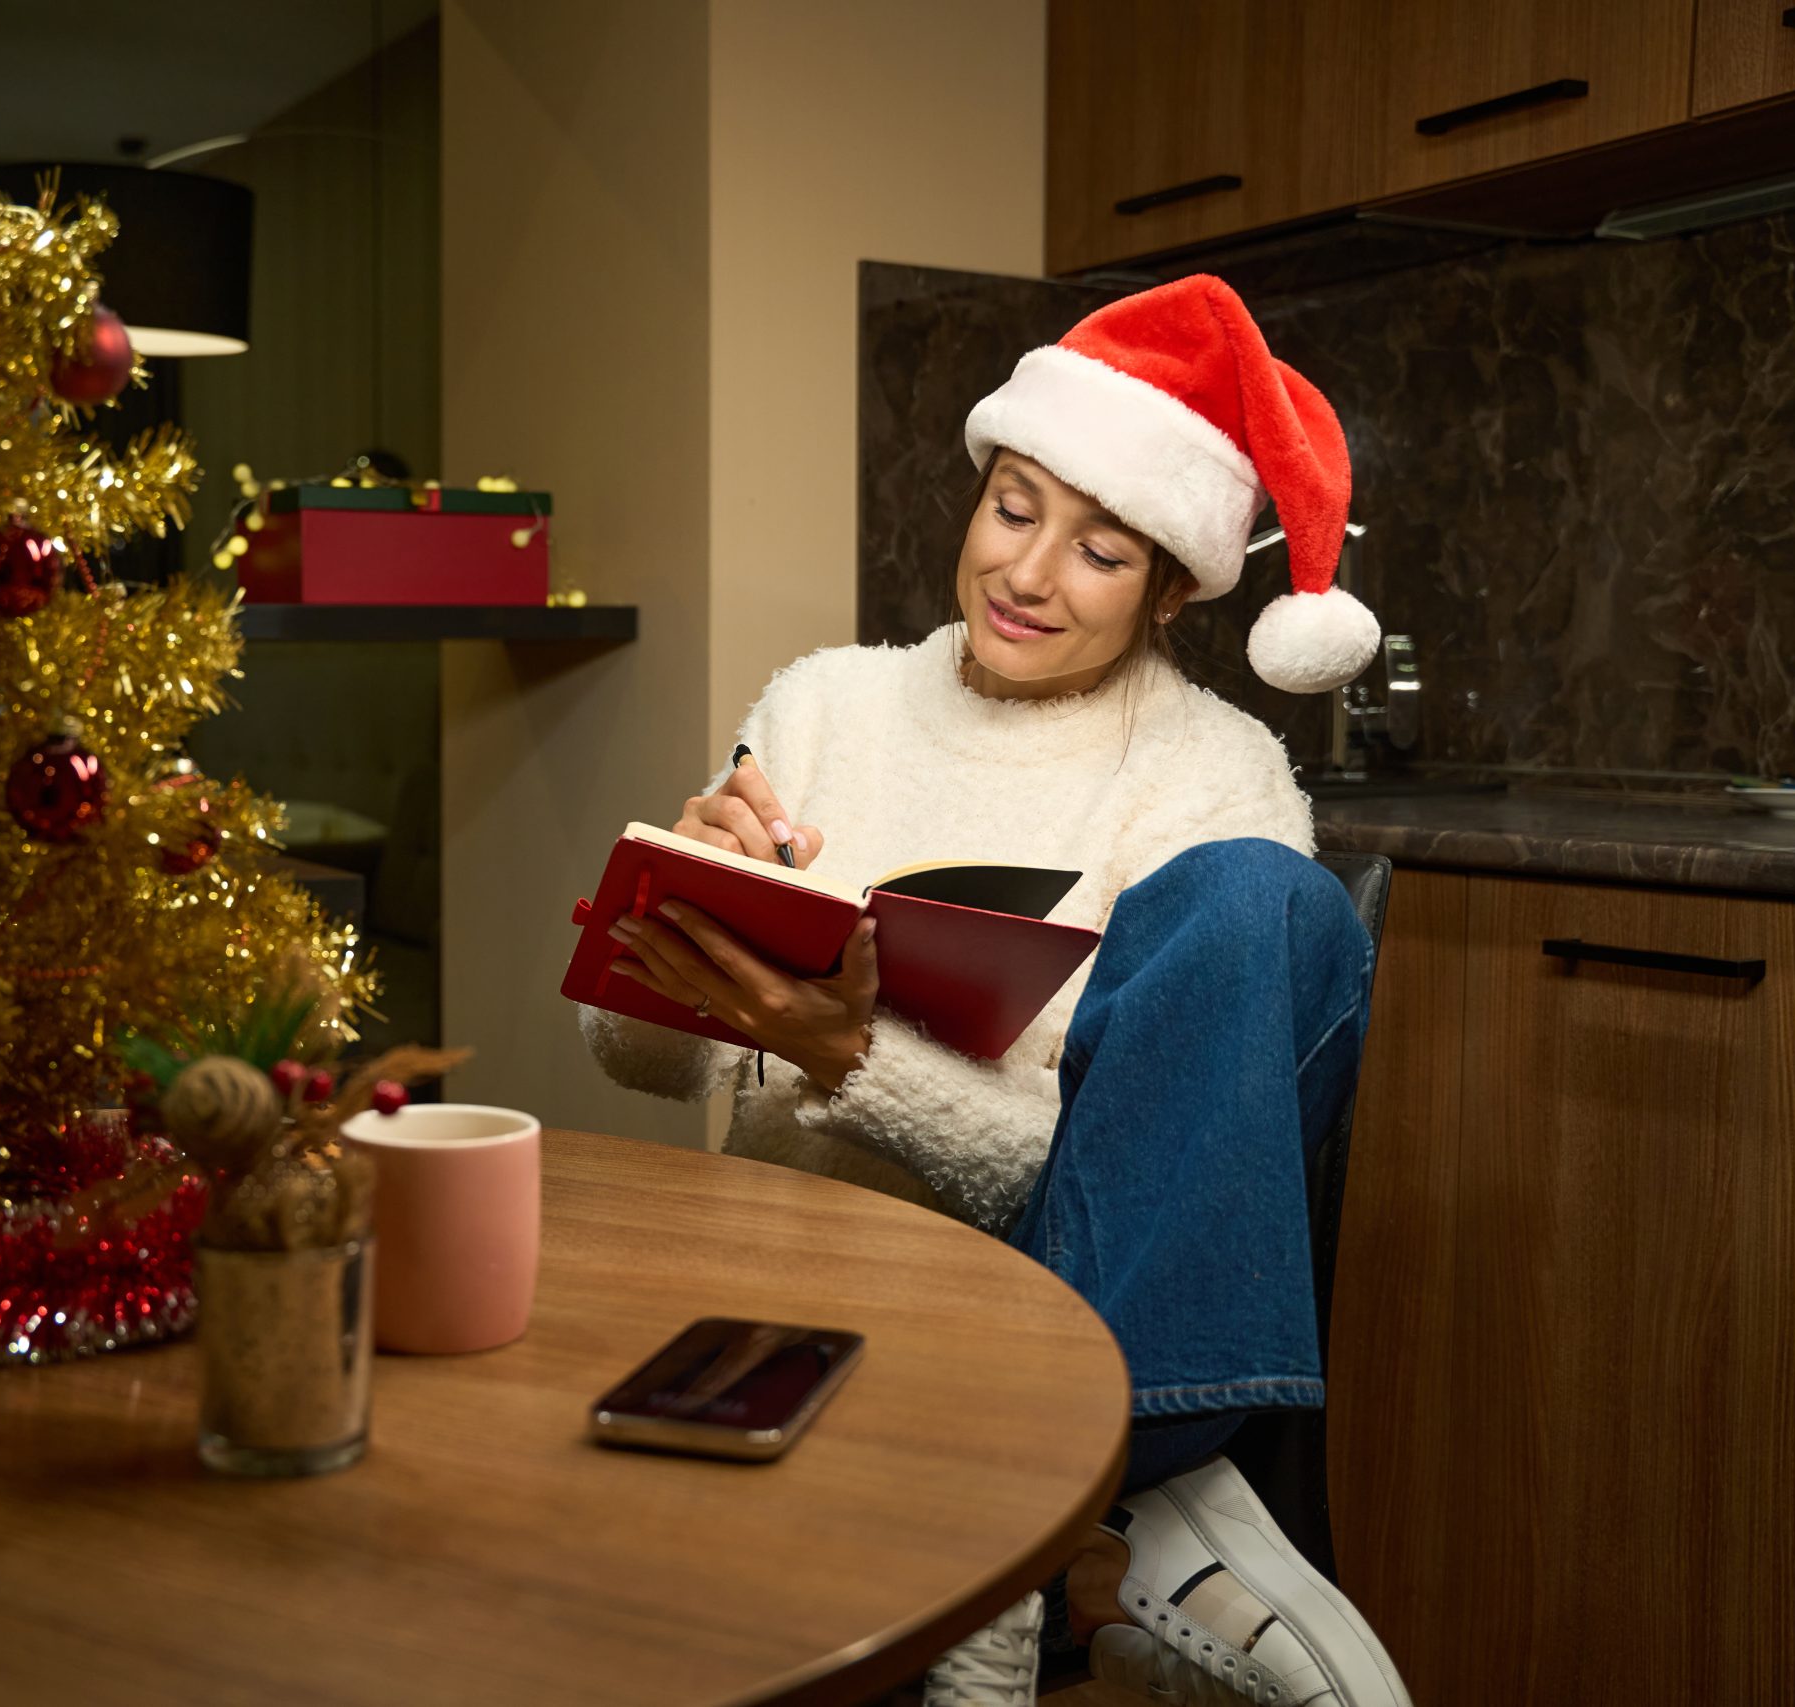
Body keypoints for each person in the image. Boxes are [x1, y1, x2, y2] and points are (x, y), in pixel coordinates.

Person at [578, 277, 1410, 1707]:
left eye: (1099, 550)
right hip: (797, 1261)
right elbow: (631, 1062)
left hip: (1034, 1294)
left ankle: (1034, 1519)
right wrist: (691, 906)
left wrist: (849, 1058)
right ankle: (1090, 1530)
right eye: (1013, 509)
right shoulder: (823, 703)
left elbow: (1124, 1185)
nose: (1029, 574)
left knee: (1265, 905)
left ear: (1168, 589)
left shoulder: (1216, 779)